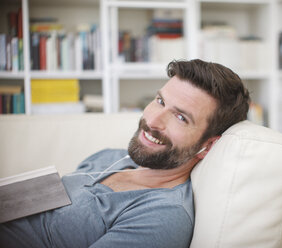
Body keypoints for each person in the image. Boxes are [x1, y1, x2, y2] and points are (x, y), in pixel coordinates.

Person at [0, 59, 250, 248]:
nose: (153, 120)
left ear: (208, 146)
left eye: (181, 117)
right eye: (161, 102)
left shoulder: (163, 217)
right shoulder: (108, 157)